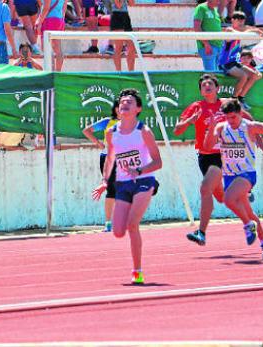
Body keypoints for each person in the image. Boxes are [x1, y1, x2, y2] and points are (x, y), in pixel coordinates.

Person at [174, 73, 263, 247]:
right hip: (204, 156)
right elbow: (177, 131)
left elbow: (249, 119)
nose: (207, 86)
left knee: (205, 188)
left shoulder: (226, 105)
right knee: (225, 199)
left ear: (217, 88)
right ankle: (262, 236)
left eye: (210, 84)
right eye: (203, 85)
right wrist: (189, 121)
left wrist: (258, 140)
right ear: (201, 91)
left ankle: (201, 232)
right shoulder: (196, 107)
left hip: (222, 155)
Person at [203, 98, 263, 260]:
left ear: (240, 114)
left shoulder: (249, 127)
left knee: (227, 199)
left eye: (233, 117)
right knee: (248, 213)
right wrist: (211, 127)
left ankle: (249, 226)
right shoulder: (221, 128)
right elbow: (207, 147)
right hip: (229, 176)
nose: (231, 121)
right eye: (227, 118)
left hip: (246, 174)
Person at [92, 89, 162, 285]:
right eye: (122, 101)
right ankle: (136, 266)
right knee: (118, 231)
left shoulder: (144, 131)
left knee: (133, 224)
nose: (124, 104)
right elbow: (111, 158)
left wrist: (139, 171)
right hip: (122, 183)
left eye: (129, 101)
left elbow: (158, 162)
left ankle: (137, 270)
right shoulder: (111, 133)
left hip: (144, 180)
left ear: (138, 108)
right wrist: (106, 181)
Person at [83, 99, 119, 232]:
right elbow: (87, 130)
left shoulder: (130, 124)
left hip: (123, 159)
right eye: (119, 107)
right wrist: (98, 143)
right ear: (115, 109)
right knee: (112, 190)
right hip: (107, 158)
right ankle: (109, 223)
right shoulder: (107, 122)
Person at [219, 11, 263, 110]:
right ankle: (234, 100)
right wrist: (254, 30)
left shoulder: (240, 32)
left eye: (242, 20)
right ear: (232, 20)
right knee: (243, 76)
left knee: (256, 75)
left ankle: (241, 98)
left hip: (234, 62)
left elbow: (243, 32)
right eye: (238, 19)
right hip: (225, 63)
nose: (241, 22)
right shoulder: (229, 30)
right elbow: (241, 34)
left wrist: (254, 30)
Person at [36, 0, 67, 71]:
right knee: (58, 49)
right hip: (59, 19)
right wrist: (61, 19)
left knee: (46, 48)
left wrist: (39, 21)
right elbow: (64, 7)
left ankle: (51, 72)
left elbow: (46, 8)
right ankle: (58, 72)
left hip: (49, 19)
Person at [194, 0, 223, 71]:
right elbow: (197, 27)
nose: (219, 2)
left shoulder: (215, 11)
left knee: (216, 74)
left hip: (218, 46)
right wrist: (206, 44)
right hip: (208, 46)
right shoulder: (201, 8)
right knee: (211, 74)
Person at [109, 0, 136, 71]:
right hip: (116, 17)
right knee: (119, 47)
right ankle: (119, 73)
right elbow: (118, 5)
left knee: (132, 47)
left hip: (126, 17)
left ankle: (131, 72)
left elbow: (132, 4)